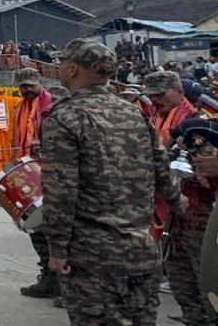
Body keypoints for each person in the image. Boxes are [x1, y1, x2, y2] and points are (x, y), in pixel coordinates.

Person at [42, 38, 184, 326]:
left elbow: (61, 191)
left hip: (93, 257)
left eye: (60, 63)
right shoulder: (132, 112)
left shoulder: (66, 116)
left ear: (72, 68)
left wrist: (57, 249)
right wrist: (177, 202)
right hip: (141, 250)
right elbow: (161, 167)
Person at [143, 70, 218, 326]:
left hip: (198, 208)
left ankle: (213, 319)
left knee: (205, 273)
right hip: (169, 210)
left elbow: (209, 163)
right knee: (178, 271)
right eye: (152, 95)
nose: (156, 99)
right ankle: (192, 316)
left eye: (161, 94)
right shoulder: (155, 118)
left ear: (178, 92)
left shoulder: (197, 120)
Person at [10, 67, 68, 300]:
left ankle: (67, 284)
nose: (26, 90)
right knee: (35, 226)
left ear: (39, 84)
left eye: (30, 86)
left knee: (57, 230)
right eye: (22, 86)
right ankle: (48, 277)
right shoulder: (18, 108)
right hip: (29, 171)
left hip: (55, 174)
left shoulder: (54, 102)